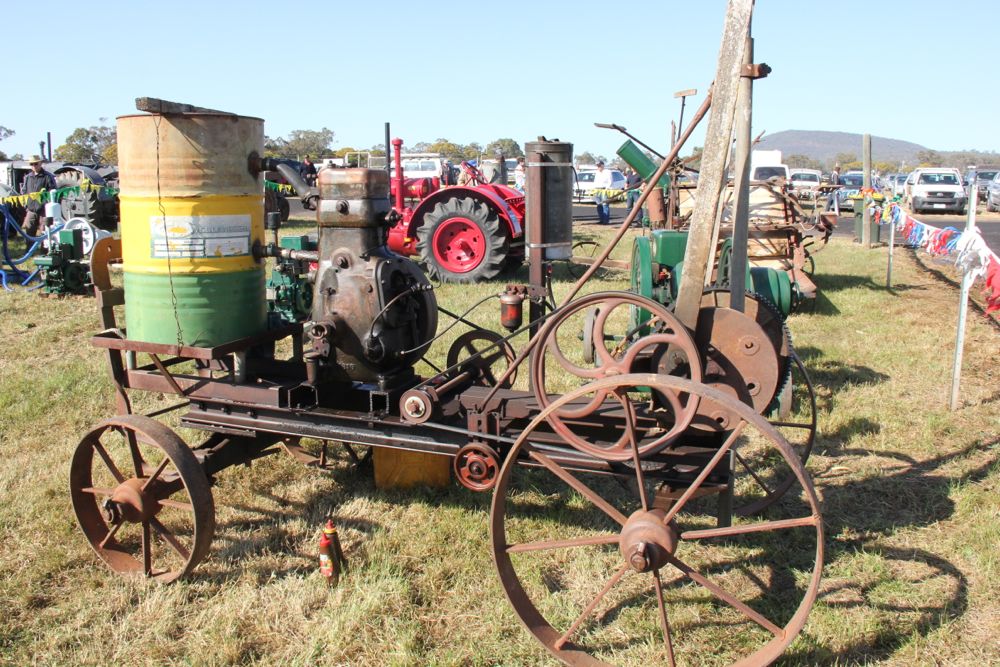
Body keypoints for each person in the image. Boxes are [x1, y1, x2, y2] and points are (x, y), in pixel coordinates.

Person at [19, 155, 56, 237]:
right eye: (31, 164)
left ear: (40, 163)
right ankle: (30, 246)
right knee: (29, 233)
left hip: (44, 211)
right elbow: (24, 192)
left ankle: (44, 246)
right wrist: (26, 206)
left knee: (45, 234)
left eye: (36, 163)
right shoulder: (27, 177)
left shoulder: (48, 176)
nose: (34, 166)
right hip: (31, 210)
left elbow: (53, 192)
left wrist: (46, 204)